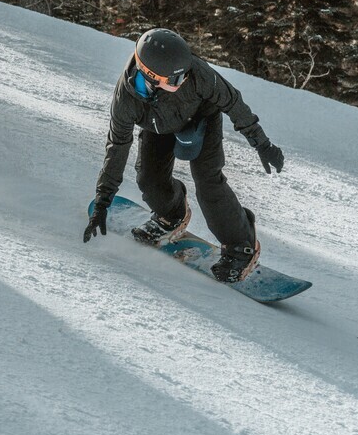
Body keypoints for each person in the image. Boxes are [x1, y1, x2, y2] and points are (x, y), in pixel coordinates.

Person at [84, 28, 284, 283]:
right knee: (148, 179)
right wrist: (103, 200)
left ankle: (241, 244)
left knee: (208, 181)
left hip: (201, 118)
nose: (184, 79)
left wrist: (262, 143)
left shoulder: (197, 73)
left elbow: (232, 102)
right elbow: (117, 145)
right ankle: (172, 213)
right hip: (157, 125)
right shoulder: (126, 100)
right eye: (176, 80)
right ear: (151, 77)